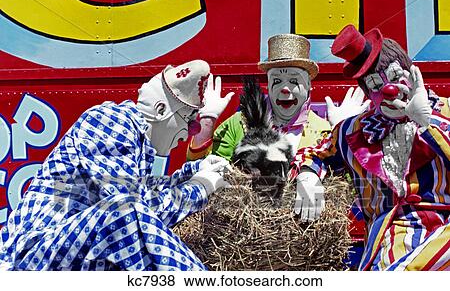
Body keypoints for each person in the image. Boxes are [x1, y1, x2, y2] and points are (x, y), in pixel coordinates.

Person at [0, 60, 230, 271]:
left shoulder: (136, 142)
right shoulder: (111, 122)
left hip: (63, 255)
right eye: (190, 120)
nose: (193, 130)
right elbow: (138, 212)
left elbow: (146, 191)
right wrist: (199, 188)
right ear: (161, 111)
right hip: (27, 260)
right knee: (124, 210)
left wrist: (195, 171)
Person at [292, 24, 450, 270]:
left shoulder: (445, 111)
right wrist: (307, 176)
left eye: (397, 78)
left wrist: (428, 122)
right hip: (388, 242)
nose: (388, 90)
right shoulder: (353, 131)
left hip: (443, 236)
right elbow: (315, 154)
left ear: (413, 74)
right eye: (376, 86)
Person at [187, 34, 369, 220]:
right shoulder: (239, 123)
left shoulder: (324, 132)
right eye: (277, 81)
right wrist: (207, 121)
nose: (284, 89)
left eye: (293, 81)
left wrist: (345, 130)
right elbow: (200, 169)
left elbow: (351, 185)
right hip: (245, 236)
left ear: (308, 87)